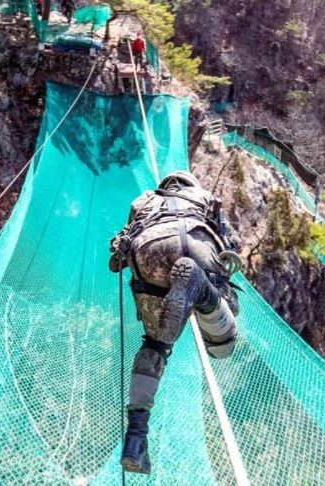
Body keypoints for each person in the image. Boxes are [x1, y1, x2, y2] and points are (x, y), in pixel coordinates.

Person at [109, 170, 242, 474]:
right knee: (223, 344)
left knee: (155, 342)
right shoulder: (206, 198)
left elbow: (120, 244)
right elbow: (231, 244)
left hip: (149, 248)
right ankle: (201, 289)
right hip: (195, 240)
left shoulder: (144, 201)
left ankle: (136, 439)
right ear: (190, 184)